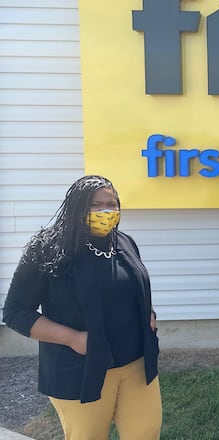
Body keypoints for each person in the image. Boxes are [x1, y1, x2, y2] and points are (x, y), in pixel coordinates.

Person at [2, 175, 161, 439]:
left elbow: (129, 289)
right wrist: (73, 338)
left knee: (145, 433)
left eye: (111, 203)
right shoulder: (47, 249)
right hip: (81, 369)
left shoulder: (125, 243)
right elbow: (15, 311)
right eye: (95, 205)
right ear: (75, 207)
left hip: (136, 364)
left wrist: (149, 314)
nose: (105, 211)